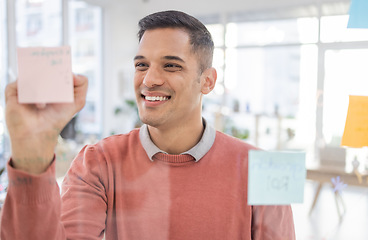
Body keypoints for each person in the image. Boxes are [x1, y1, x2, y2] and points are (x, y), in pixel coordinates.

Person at [1, 10, 295, 240]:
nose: (149, 79)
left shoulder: (268, 169)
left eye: (171, 65)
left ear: (208, 81)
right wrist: (32, 156)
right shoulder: (97, 162)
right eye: (141, 64)